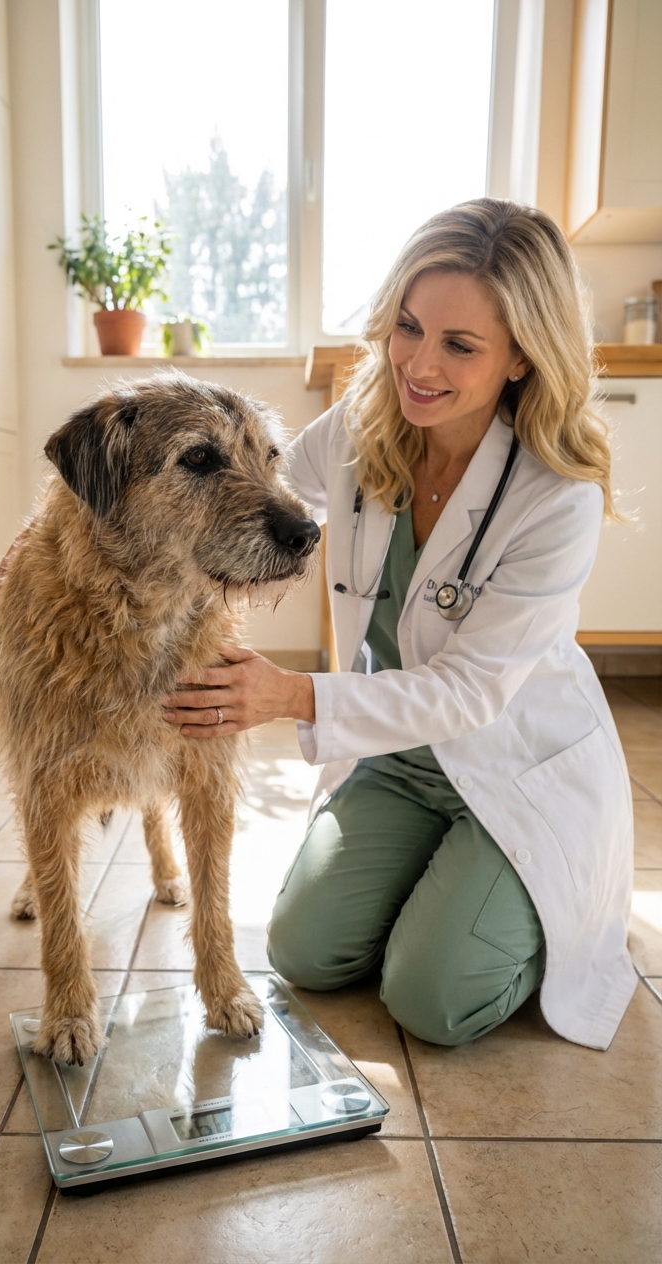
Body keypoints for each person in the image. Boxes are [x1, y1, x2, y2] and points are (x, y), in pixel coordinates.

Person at [162, 199, 635, 1051]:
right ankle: (439, 886)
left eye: (459, 345)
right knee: (302, 950)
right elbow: (257, 504)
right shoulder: (355, 428)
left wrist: (291, 694)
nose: (417, 364)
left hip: (513, 767)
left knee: (432, 1000)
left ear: (523, 356)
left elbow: (469, 692)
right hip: (398, 765)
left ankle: (532, 918)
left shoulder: (554, 496)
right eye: (408, 327)